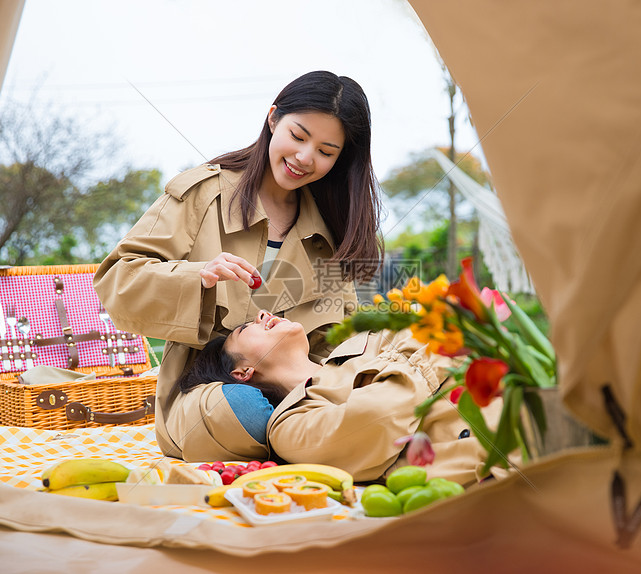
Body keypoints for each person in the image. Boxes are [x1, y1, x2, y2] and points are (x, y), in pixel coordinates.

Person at [94, 71, 384, 462]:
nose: (304, 157)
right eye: (298, 136)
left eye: (326, 151)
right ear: (272, 118)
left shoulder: (332, 232)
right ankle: (314, 436)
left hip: (306, 393)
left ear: (340, 158)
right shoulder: (203, 195)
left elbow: (343, 337)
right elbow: (117, 280)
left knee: (386, 396)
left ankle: (316, 431)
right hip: (210, 395)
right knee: (241, 411)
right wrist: (196, 277)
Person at [179, 310, 498, 486]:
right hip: (500, 465)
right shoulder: (289, 425)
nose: (264, 313)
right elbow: (377, 416)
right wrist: (436, 353)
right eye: (247, 327)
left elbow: (440, 325)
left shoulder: (358, 342)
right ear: (242, 372)